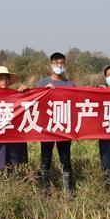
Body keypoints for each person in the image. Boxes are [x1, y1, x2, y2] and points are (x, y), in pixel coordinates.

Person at [35, 52, 75, 194]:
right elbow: (34, 100)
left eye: (61, 63)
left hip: (64, 127)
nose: (59, 65)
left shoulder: (70, 84)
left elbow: (75, 104)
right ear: (51, 65)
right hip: (47, 127)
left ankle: (68, 191)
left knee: (65, 158)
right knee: (45, 157)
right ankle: (45, 190)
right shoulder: (42, 82)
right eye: (56, 63)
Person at [0, 66, 26, 176]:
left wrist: (25, 93)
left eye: (6, 78)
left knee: (14, 164)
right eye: (1, 78)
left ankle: (15, 188)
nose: (4, 81)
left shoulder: (16, 95)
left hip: (13, 135)